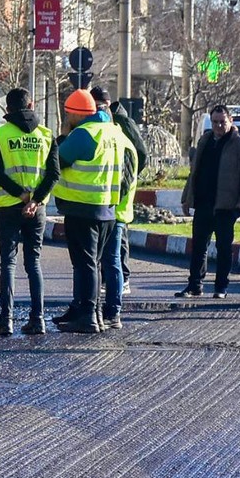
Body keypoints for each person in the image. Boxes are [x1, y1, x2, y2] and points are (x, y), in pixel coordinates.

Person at [50, 88, 127, 334]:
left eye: (68, 113)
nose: (67, 118)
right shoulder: (112, 131)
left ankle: (88, 316)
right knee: (92, 263)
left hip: (83, 208)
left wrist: (64, 135)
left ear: (75, 113)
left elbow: (57, 160)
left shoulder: (84, 134)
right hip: (108, 208)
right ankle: (91, 312)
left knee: (85, 264)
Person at [0, 88, 60, 335]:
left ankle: (5, 320)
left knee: (8, 263)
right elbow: (54, 174)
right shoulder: (47, 135)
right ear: (30, 104)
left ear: (7, 109)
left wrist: (20, 195)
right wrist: (36, 200)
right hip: (37, 209)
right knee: (34, 262)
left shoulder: (0, 135)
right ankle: (38, 319)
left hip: (9, 206)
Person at [177, 103, 240, 300]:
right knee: (199, 247)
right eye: (215, 122)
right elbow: (193, 172)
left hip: (226, 206)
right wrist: (187, 198)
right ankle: (194, 284)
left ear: (231, 121)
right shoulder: (205, 140)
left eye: (222, 122)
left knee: (223, 248)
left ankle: (221, 286)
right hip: (204, 202)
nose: (219, 126)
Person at [90, 86, 147, 330]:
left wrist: (113, 200)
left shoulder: (119, 135)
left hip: (112, 208)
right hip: (109, 207)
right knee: (105, 261)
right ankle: (104, 310)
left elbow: (127, 173)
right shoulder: (116, 134)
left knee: (111, 261)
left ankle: (112, 311)